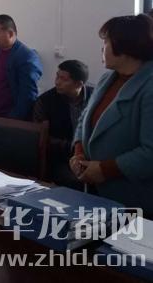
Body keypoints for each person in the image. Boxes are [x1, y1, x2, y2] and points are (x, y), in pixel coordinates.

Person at [70, 15, 153, 216]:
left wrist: (104, 169)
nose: (102, 48)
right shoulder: (107, 78)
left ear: (125, 47)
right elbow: (84, 119)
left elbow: (149, 152)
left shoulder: (149, 86)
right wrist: (78, 152)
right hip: (96, 191)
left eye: (106, 42)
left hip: (132, 197)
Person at [33, 59, 93, 188]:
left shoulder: (95, 98)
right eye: (57, 76)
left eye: (64, 79)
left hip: (92, 155)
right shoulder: (45, 101)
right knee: (77, 181)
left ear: (79, 84)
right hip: (60, 158)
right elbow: (41, 138)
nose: (57, 82)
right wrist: (72, 148)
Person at [0, 14, 42, 120]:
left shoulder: (26, 56)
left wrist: (14, 118)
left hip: (8, 119)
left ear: (10, 33)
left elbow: (27, 94)